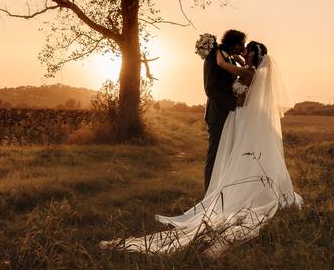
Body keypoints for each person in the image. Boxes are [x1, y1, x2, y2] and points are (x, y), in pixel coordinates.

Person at [100, 37, 303, 256]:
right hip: (240, 117)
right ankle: (232, 187)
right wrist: (234, 57)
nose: (242, 51)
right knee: (237, 156)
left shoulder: (249, 72)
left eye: (246, 50)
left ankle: (233, 190)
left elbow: (225, 67)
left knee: (238, 155)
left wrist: (217, 53)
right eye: (241, 48)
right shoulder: (248, 69)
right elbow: (235, 73)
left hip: (242, 117)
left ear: (253, 55)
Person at [202, 29, 252, 191]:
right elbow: (210, 89)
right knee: (215, 155)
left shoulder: (229, 58)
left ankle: (222, 190)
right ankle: (208, 192)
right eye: (241, 44)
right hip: (217, 115)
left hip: (231, 115)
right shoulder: (212, 58)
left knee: (227, 155)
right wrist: (234, 102)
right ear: (233, 43)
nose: (243, 47)